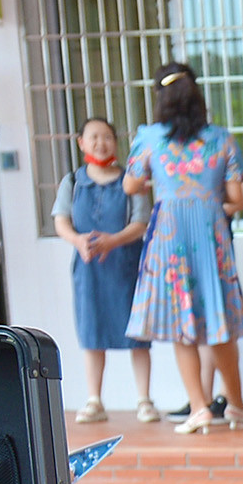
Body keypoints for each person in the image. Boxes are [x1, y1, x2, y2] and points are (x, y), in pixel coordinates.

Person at [125, 63, 243, 433]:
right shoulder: (220, 137)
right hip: (210, 230)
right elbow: (236, 193)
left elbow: (131, 185)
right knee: (219, 319)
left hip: (170, 233)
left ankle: (199, 407)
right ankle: (237, 405)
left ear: (161, 97)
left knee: (181, 320)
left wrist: (160, 178)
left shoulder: (149, 137)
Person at [53, 115, 154, 423]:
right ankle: (94, 400)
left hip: (127, 266)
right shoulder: (72, 182)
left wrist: (113, 241)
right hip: (89, 269)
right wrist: (77, 241)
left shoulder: (131, 181)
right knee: (92, 332)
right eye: (93, 137)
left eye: (107, 136)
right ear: (81, 143)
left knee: (138, 335)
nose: (101, 142)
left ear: (116, 142)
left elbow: (141, 222)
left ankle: (144, 400)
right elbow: (61, 220)